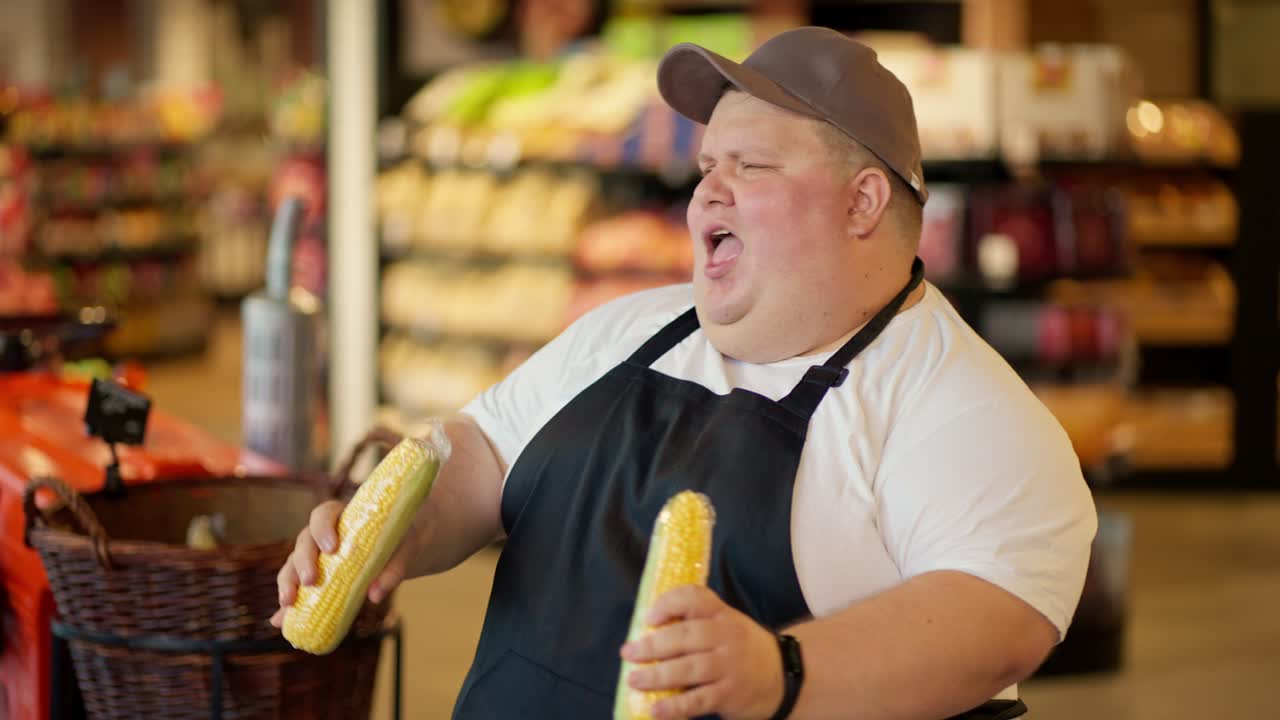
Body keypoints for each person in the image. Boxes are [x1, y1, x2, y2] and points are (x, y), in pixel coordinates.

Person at [273, 26, 1097, 720]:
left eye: (751, 167)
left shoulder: (961, 406)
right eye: (706, 168)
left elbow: (998, 618)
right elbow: (486, 448)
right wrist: (400, 529)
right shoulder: (629, 329)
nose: (707, 196)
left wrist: (780, 672)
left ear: (863, 202)